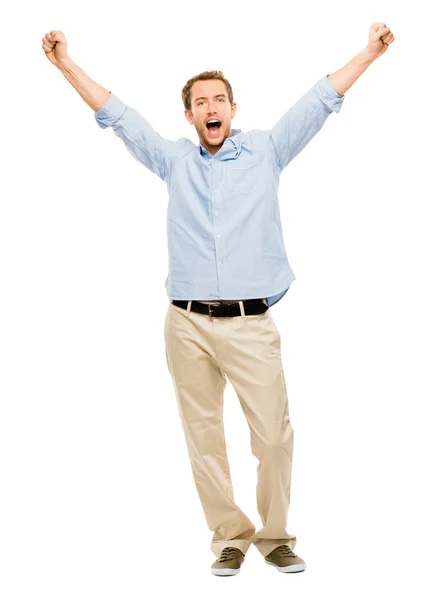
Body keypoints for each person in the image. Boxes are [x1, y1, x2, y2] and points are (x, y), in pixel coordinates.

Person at [42, 22, 395, 576]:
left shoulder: (267, 153)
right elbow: (117, 115)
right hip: (185, 324)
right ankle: (229, 534)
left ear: (232, 108)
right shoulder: (173, 160)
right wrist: (65, 64)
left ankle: (274, 536)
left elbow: (320, 101)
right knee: (204, 440)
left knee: (274, 439)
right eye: (199, 102)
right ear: (189, 116)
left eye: (218, 100)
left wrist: (369, 53)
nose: (211, 108)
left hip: (251, 324)